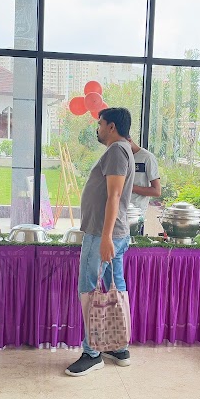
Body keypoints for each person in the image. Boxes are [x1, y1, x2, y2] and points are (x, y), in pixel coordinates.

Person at [66, 107, 135, 377]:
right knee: (116, 287)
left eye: (100, 124)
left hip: (103, 234)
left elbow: (114, 196)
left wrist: (105, 237)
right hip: (112, 233)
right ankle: (119, 347)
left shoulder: (117, 151)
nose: (98, 129)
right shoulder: (123, 148)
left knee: (89, 290)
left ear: (112, 127)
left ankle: (92, 353)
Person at [126, 135, 161, 234]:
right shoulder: (119, 156)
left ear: (129, 140)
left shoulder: (147, 158)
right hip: (117, 213)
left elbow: (157, 191)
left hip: (136, 215)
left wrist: (130, 187)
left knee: (134, 241)